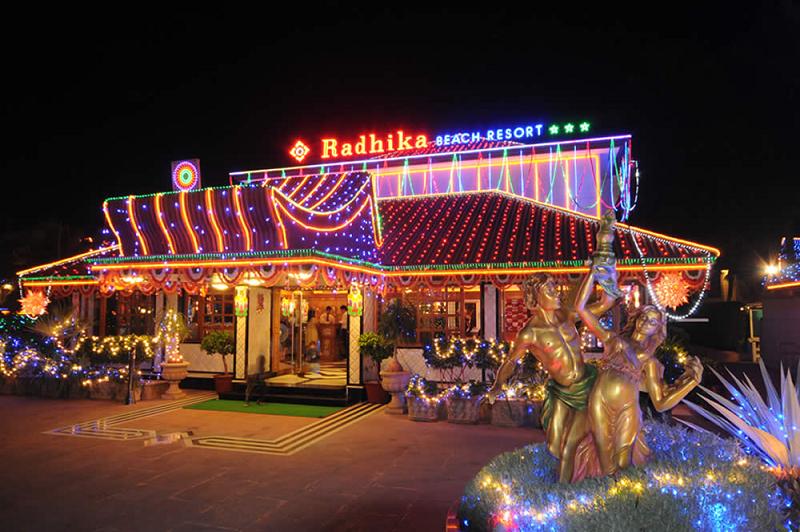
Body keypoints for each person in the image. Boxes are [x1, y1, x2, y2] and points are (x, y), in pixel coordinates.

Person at [486, 271, 615, 482]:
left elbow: (601, 306)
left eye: (555, 286)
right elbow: (510, 361)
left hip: (587, 387)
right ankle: (566, 482)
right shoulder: (530, 333)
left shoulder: (567, 314)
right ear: (535, 297)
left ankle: (564, 492)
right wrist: (497, 385)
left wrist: (603, 276)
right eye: (549, 289)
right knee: (556, 445)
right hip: (561, 393)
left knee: (570, 444)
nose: (556, 292)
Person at [574, 270, 703, 480]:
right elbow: (581, 309)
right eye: (644, 317)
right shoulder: (615, 341)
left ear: (657, 330)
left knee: (623, 461)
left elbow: (661, 403)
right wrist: (592, 273)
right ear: (636, 319)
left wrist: (692, 381)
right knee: (604, 459)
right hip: (599, 401)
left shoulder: (650, 362)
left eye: (652, 322)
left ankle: (622, 504)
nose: (645, 323)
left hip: (628, 408)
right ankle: (604, 505)